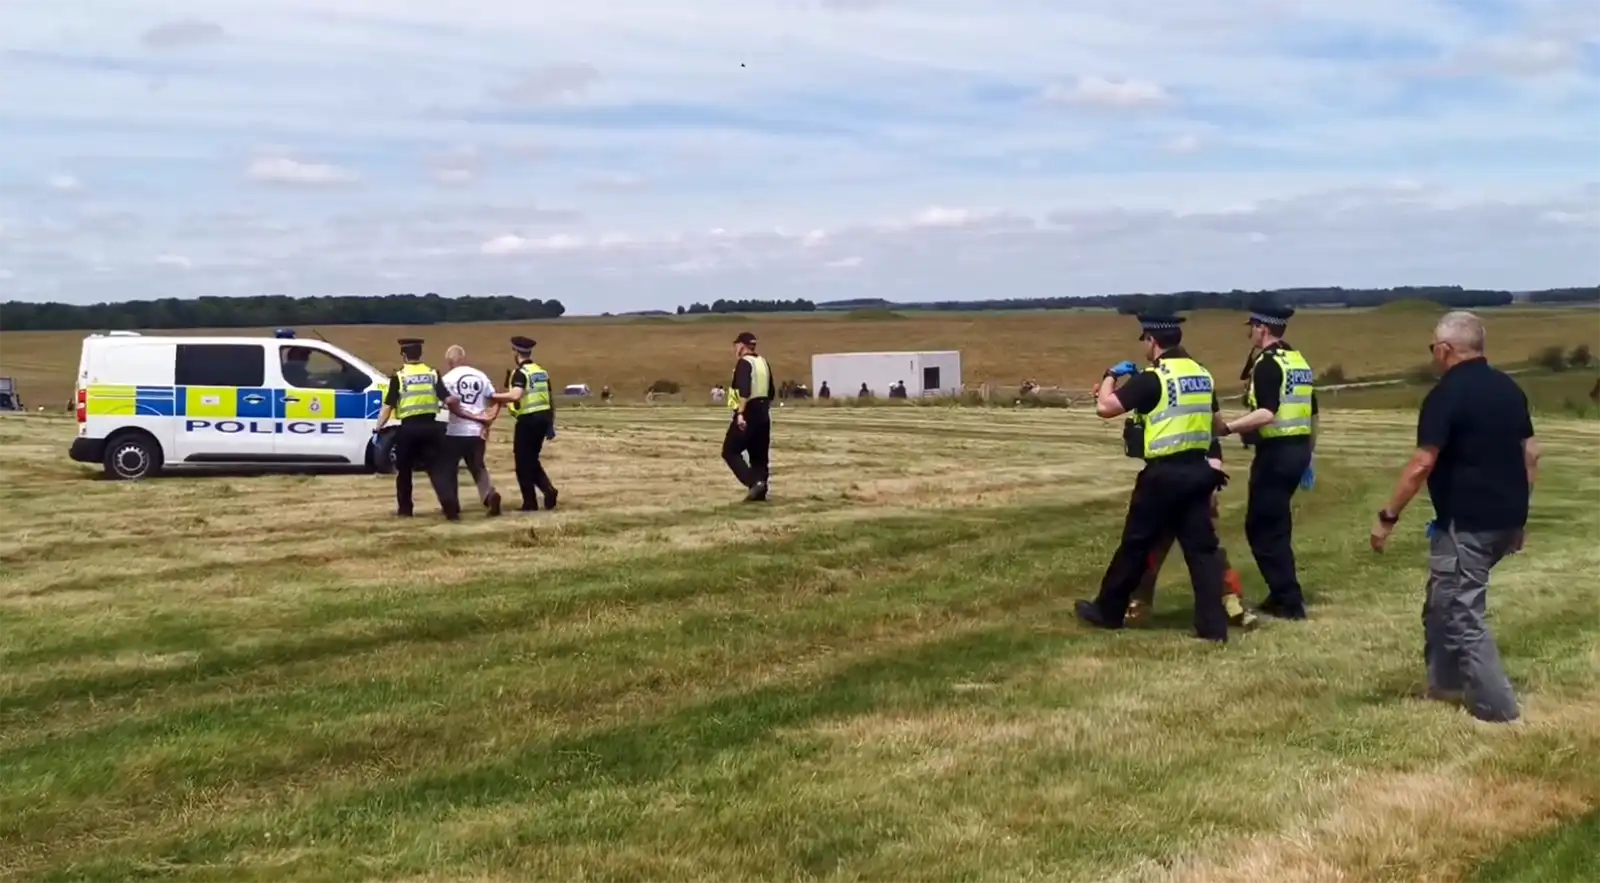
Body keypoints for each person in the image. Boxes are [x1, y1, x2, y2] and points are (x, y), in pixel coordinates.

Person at [1370, 311, 1537, 724]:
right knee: (1441, 603)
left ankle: (1498, 711)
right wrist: (1518, 516)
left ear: (1444, 350)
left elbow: (1422, 464)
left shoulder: (1445, 395)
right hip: (1503, 520)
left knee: (1463, 612)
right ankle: (1444, 685)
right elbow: (1530, 455)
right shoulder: (1508, 389)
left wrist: (1388, 516)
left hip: (1469, 522)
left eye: (1434, 348)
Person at [1075, 312, 1232, 642]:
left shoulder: (1154, 377)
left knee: (1135, 545)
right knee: (1202, 552)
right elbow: (1217, 426)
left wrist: (1110, 376)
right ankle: (1213, 625)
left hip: (1163, 475)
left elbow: (1105, 408)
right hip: (1198, 471)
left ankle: (1108, 611)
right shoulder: (1202, 375)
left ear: (1152, 341)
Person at [1218, 302, 1317, 620]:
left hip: (1276, 454)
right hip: (1297, 449)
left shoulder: (1267, 365)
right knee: (1276, 524)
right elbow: (1312, 413)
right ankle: (1282, 593)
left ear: (1262, 327)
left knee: (1261, 527)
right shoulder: (1297, 361)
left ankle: (1288, 600)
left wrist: (1228, 428)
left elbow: (1267, 412)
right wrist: (1308, 455)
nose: (1249, 332)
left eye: (1252, 326)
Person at [375, 338, 462, 520]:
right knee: (438, 470)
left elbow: (388, 406)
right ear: (420, 354)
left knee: (404, 472)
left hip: (409, 429)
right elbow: (447, 399)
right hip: (432, 428)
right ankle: (450, 508)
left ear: (404, 355)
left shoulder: (399, 377)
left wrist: (378, 427)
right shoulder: (432, 374)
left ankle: (405, 510)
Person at [490, 335, 558, 512]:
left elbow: (515, 395)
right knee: (531, 459)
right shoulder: (541, 371)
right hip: (543, 418)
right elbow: (550, 398)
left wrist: (493, 396)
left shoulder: (520, 373)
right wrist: (551, 423)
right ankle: (547, 490)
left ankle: (530, 502)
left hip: (528, 420)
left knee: (522, 463)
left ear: (515, 352)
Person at [441, 345, 503, 517]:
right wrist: (489, 419)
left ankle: (452, 505)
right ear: (463, 358)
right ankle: (489, 495)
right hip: (477, 432)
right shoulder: (480, 375)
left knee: (449, 468)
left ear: (449, 362)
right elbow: (496, 398)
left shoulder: (447, 379)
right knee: (478, 467)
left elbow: (449, 405)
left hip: (455, 431)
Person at [723, 331, 774, 502]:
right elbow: (771, 391)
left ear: (743, 346)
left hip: (748, 411)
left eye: (736, 345)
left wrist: (739, 414)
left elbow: (743, 390)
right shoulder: (763, 363)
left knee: (730, 451)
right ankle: (761, 493)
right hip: (764, 413)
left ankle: (754, 483)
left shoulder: (743, 363)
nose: (735, 349)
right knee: (759, 456)